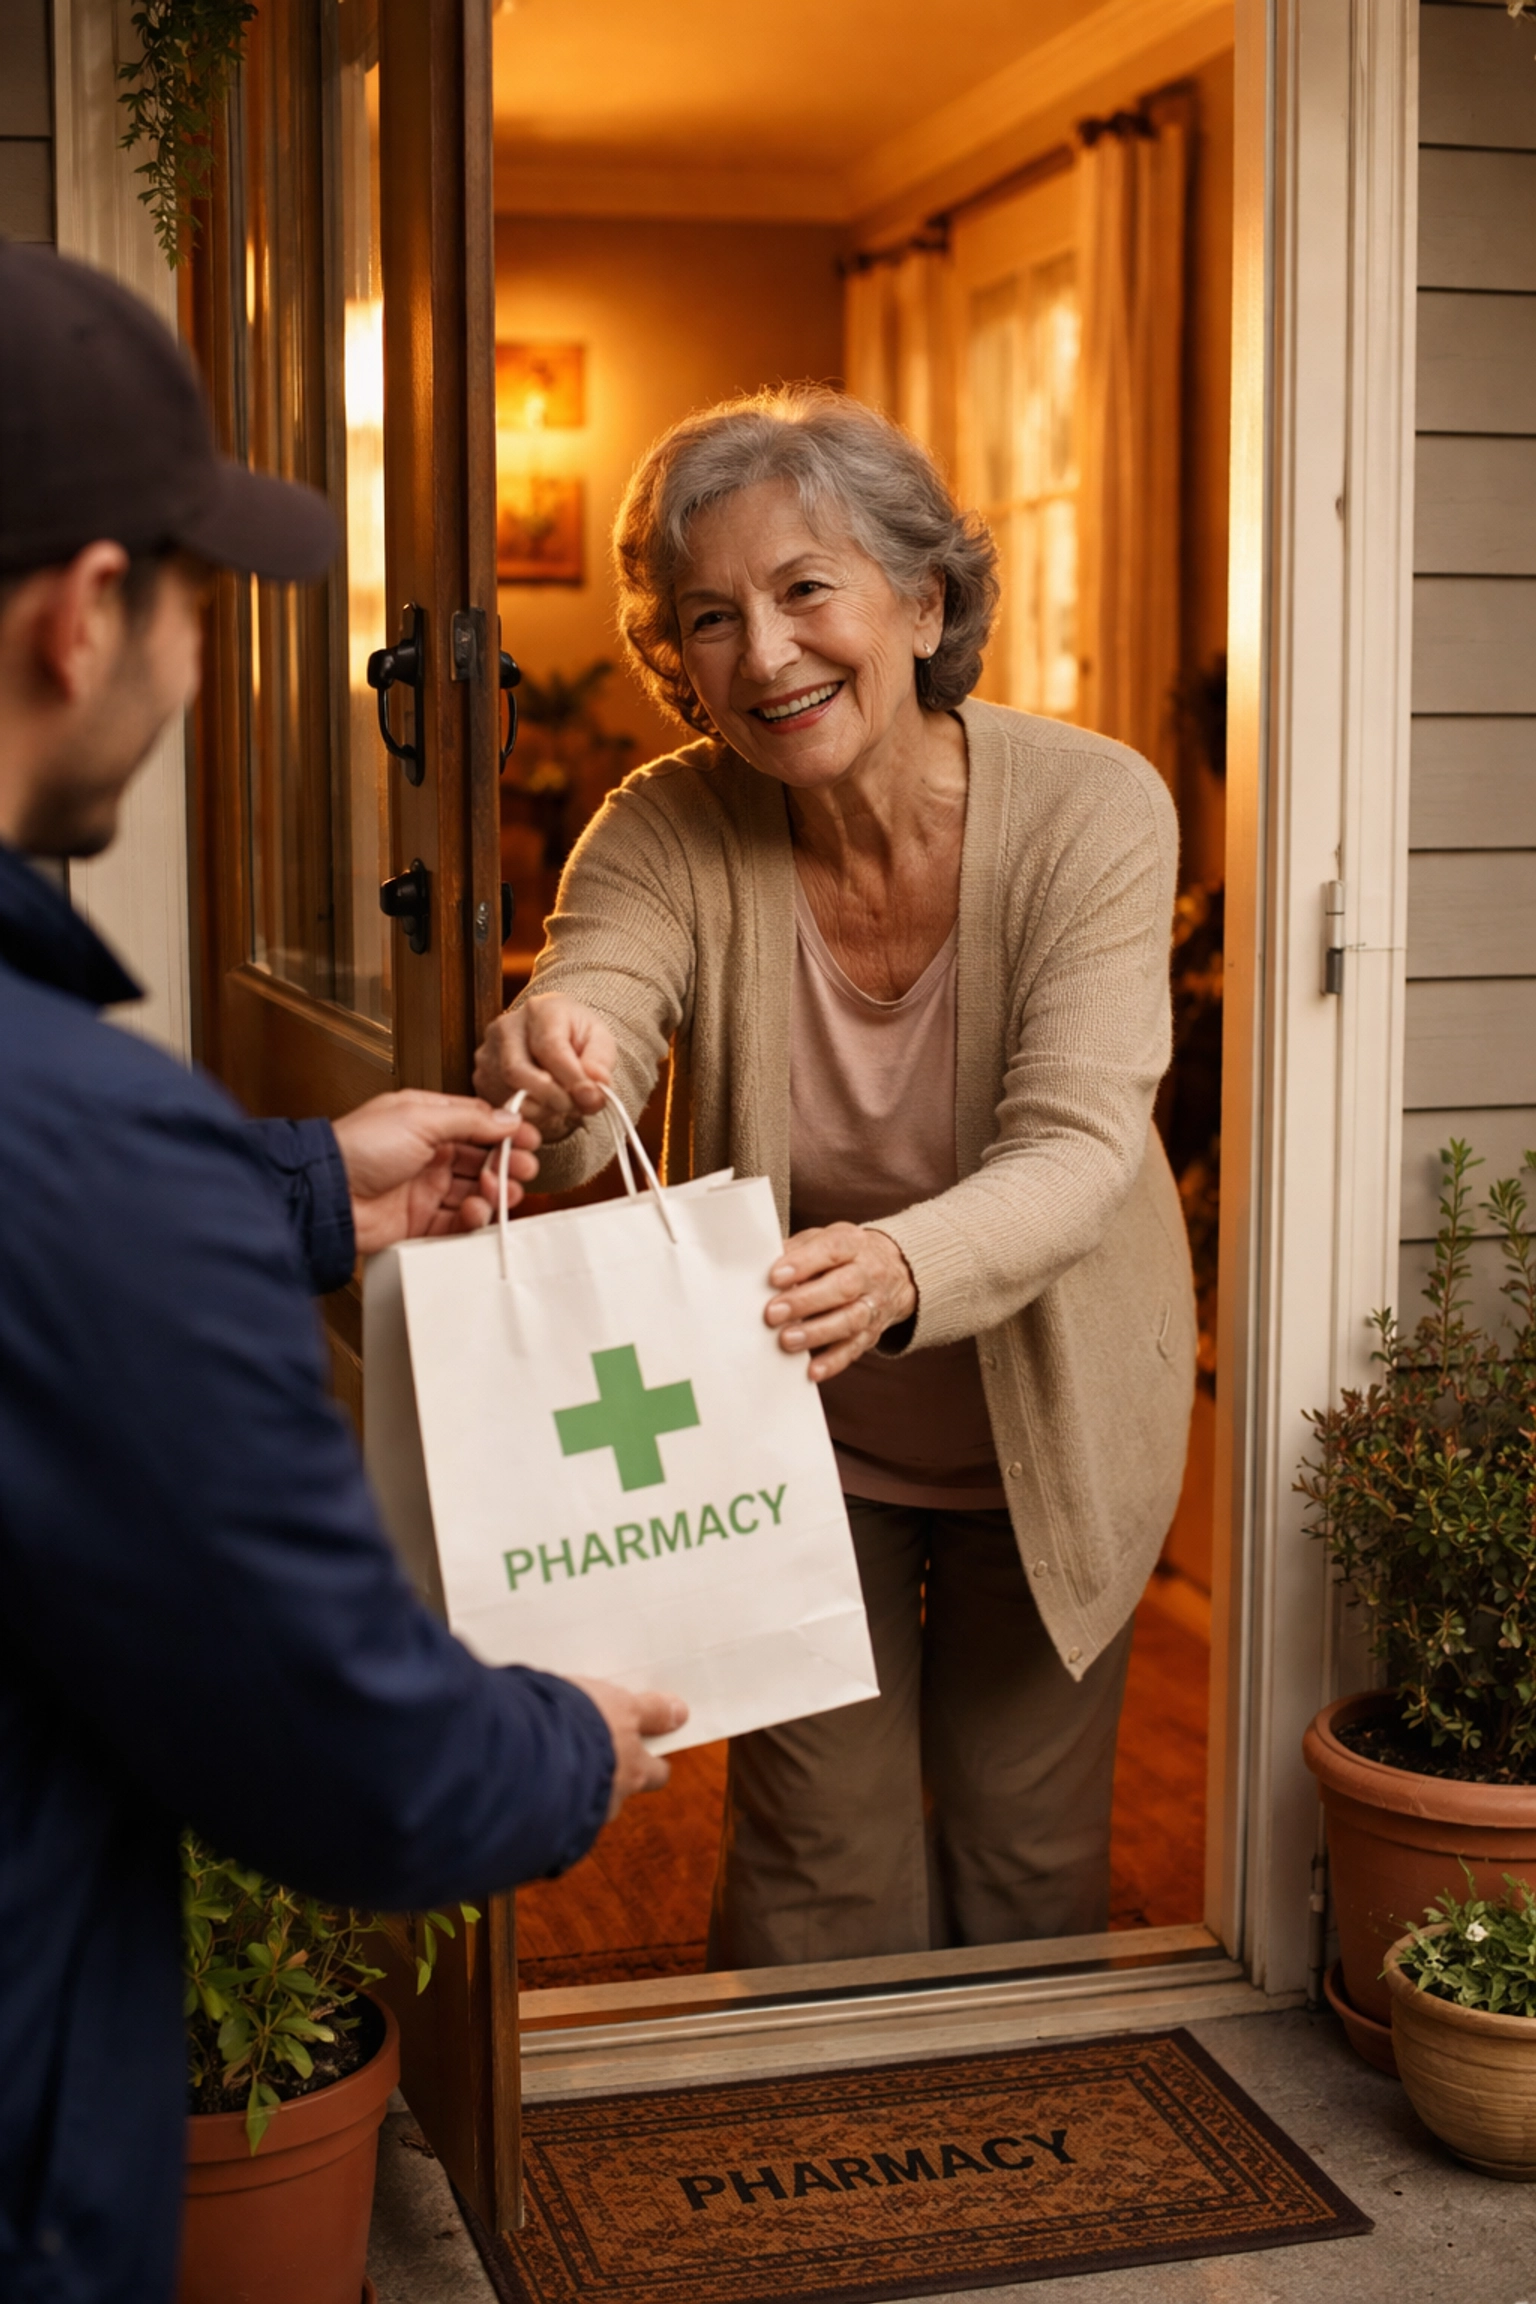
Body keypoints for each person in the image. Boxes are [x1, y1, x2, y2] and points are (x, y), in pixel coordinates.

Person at [0, 243, 685, 2304]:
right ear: (85, 610)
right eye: (201, 606)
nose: (199, 672)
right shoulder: (86, 1150)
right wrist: (577, 1740)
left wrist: (301, 1189)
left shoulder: (99, 1162)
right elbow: (362, 1764)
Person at [475, 386, 1197, 1971]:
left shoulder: (1092, 807)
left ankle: (1022, 2175)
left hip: (1052, 1419)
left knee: (1023, 1849)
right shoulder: (662, 825)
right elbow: (600, 1013)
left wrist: (900, 1270)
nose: (768, 653)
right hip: (795, 1429)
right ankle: (824, 2178)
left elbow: (1080, 1142)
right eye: (711, 618)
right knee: (819, 1870)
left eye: (809, 589)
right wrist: (552, 1057)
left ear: (921, 601)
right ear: (677, 661)